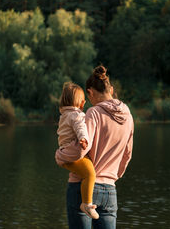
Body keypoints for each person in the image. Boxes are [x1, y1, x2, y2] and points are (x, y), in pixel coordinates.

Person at [55, 65, 134, 229]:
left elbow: (80, 149)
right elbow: (127, 154)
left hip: (82, 188)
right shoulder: (128, 114)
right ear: (110, 90)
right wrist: (111, 177)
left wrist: (60, 155)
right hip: (110, 191)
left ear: (90, 92)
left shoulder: (93, 113)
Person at [56, 82, 99, 219]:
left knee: (85, 170)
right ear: (81, 103)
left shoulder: (64, 115)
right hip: (73, 154)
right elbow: (80, 127)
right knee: (90, 174)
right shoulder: (76, 115)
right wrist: (84, 138)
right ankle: (86, 204)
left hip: (65, 153)